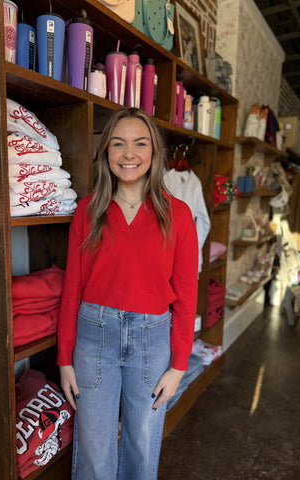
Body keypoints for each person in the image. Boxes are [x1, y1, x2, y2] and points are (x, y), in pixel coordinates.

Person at [57, 107, 198, 480]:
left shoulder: (178, 215)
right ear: (106, 153)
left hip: (153, 341)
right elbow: (72, 287)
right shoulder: (89, 210)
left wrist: (179, 364)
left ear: (154, 152)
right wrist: (64, 358)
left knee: (142, 440)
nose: (129, 154)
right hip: (94, 337)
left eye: (140, 144)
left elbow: (186, 295)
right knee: (94, 444)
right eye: (118, 144)